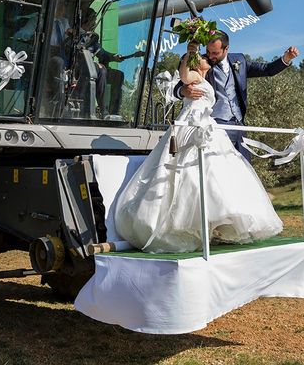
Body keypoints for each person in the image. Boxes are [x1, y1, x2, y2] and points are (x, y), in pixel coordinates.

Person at [113, 52, 283, 253]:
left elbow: (265, 70)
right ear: (195, 63)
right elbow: (183, 79)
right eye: (203, 56)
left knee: (218, 173)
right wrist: (187, 65)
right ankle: (184, 224)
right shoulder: (193, 76)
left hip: (210, 126)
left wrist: (284, 60)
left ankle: (216, 225)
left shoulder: (216, 72)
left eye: (210, 54)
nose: (208, 58)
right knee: (187, 172)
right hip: (192, 125)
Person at [173, 31, 299, 160]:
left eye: (215, 53)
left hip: (239, 124)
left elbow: (266, 69)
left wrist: (286, 58)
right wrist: (183, 91)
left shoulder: (240, 60)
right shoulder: (202, 63)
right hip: (215, 126)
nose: (210, 56)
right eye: (208, 51)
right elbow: (178, 86)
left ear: (226, 48)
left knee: (244, 164)